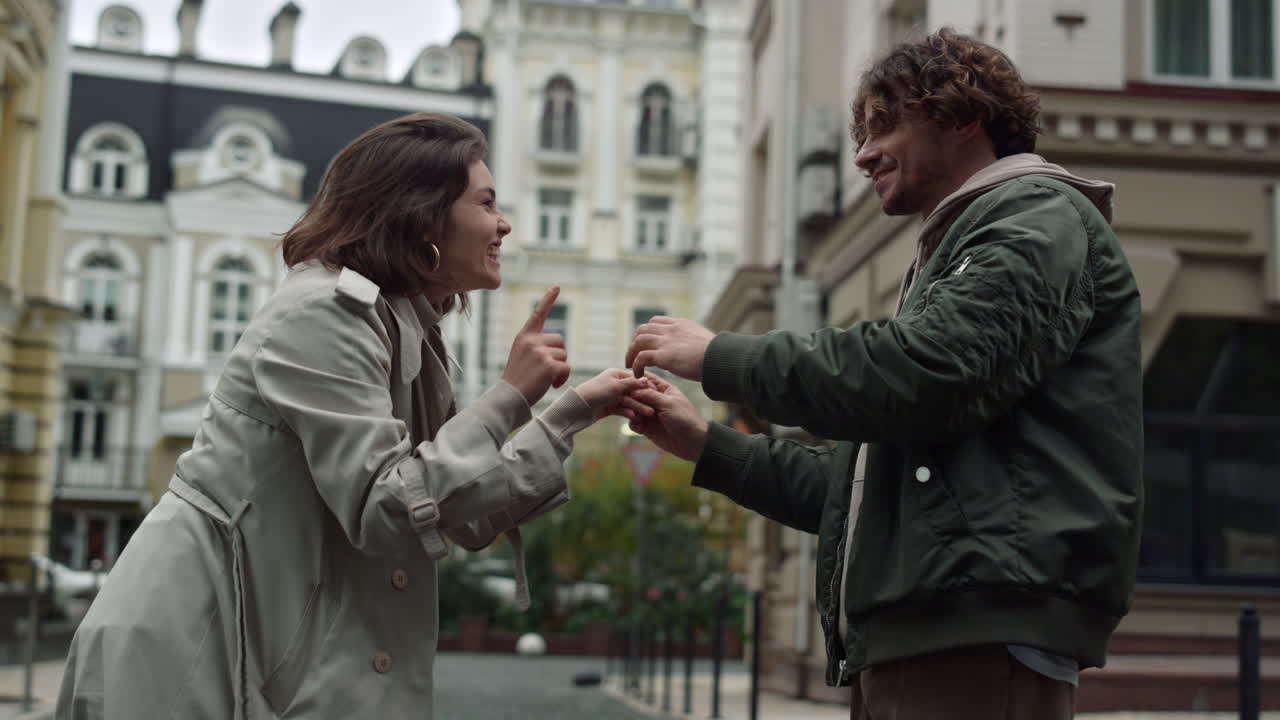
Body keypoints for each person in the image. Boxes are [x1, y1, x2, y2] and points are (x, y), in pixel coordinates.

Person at [57, 112, 649, 719]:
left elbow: (459, 508)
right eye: (486, 202)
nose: (504, 224)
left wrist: (574, 410)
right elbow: (388, 506)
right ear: (422, 214)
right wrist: (510, 396)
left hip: (256, 661)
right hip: (187, 660)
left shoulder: (403, 329)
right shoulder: (322, 312)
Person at [624, 28, 1142, 719]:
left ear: (962, 118)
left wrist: (721, 358)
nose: (862, 155)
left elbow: (927, 373)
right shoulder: (963, 246)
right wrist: (705, 446)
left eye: (884, 126)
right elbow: (860, 499)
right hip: (933, 639)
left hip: (977, 643)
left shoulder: (1033, 217)